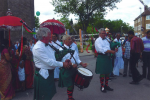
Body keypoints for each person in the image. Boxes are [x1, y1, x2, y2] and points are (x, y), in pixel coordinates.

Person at [32, 27, 71, 100]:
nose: (51, 37)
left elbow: (53, 57)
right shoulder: (38, 48)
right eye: (49, 35)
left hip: (49, 74)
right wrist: (62, 64)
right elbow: (49, 62)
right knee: (43, 97)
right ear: (44, 36)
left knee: (48, 96)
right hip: (42, 75)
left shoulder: (48, 45)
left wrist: (64, 60)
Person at [58, 35, 87, 100]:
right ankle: (70, 98)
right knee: (70, 84)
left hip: (73, 69)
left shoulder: (73, 47)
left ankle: (70, 97)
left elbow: (77, 58)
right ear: (64, 41)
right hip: (66, 70)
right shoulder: (61, 50)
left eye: (71, 39)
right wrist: (72, 64)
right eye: (69, 39)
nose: (71, 40)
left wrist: (82, 63)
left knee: (72, 84)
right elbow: (63, 61)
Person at [95, 28, 117, 93]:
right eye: (102, 33)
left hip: (108, 57)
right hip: (102, 57)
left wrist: (114, 49)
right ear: (99, 34)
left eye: (104, 33)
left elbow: (110, 46)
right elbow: (100, 49)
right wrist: (110, 51)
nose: (103, 34)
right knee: (102, 73)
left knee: (107, 72)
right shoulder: (97, 40)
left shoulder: (107, 39)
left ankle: (106, 85)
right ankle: (102, 86)